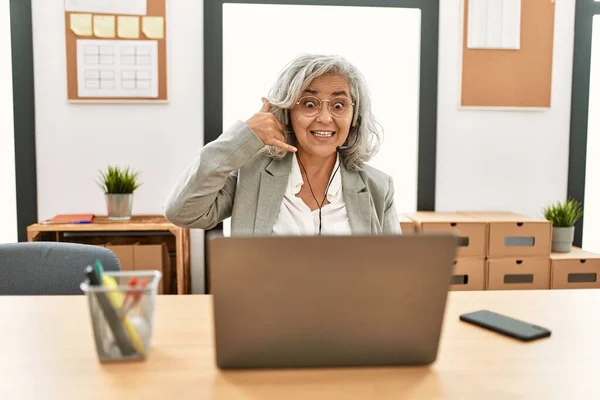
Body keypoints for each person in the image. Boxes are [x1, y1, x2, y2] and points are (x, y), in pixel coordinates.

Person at [164, 54, 401, 235]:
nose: (325, 118)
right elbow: (182, 213)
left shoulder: (378, 187)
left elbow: (394, 270)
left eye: (338, 105)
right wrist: (241, 138)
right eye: (309, 104)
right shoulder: (252, 175)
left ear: (354, 116)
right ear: (288, 112)